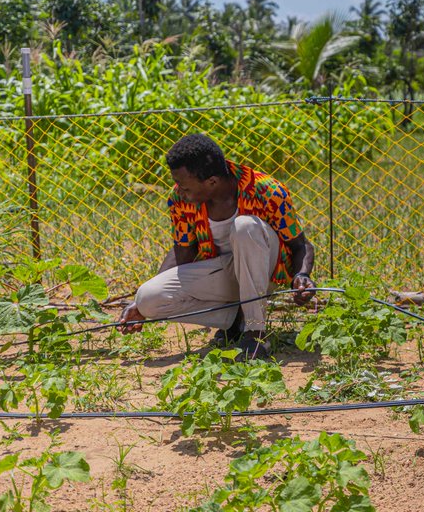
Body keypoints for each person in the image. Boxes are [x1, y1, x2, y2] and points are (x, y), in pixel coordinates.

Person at [118, 134, 317, 360]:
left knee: (245, 227)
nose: (179, 190)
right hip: (224, 274)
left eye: (185, 187)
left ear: (212, 182)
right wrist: (140, 305)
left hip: (264, 273)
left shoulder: (266, 190)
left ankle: (255, 332)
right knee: (148, 298)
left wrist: (302, 275)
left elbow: (301, 245)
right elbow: (182, 252)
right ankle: (233, 320)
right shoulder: (179, 199)